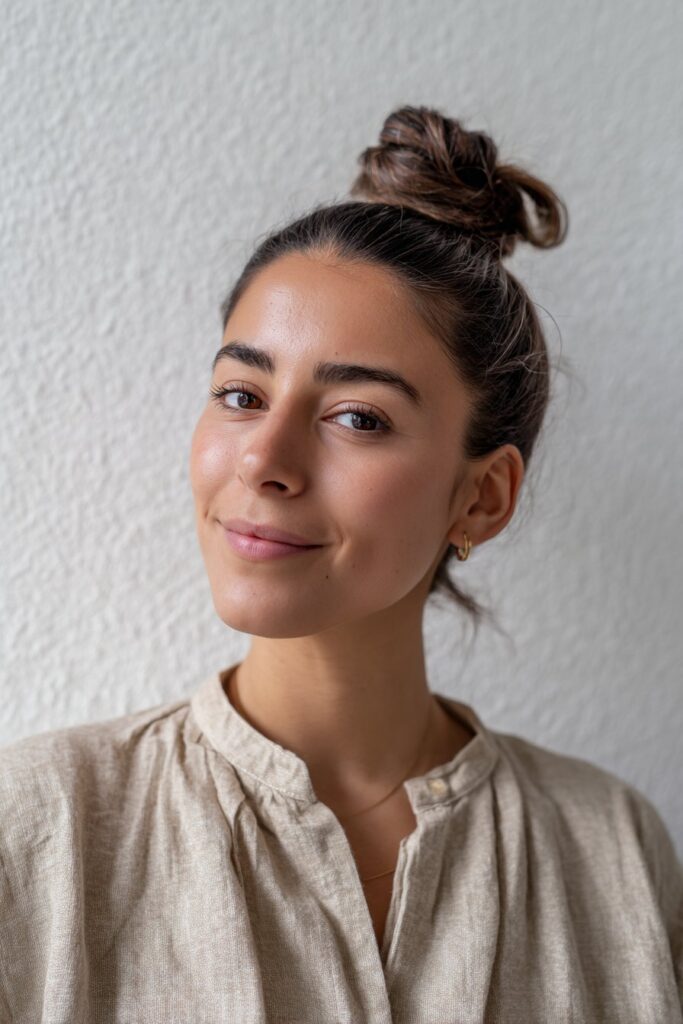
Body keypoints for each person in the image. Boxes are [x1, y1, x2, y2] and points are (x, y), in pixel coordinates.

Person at [0, 105, 681, 1024]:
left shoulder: (615, 853)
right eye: (241, 394)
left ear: (481, 497)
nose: (263, 460)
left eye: (357, 417)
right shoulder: (43, 832)